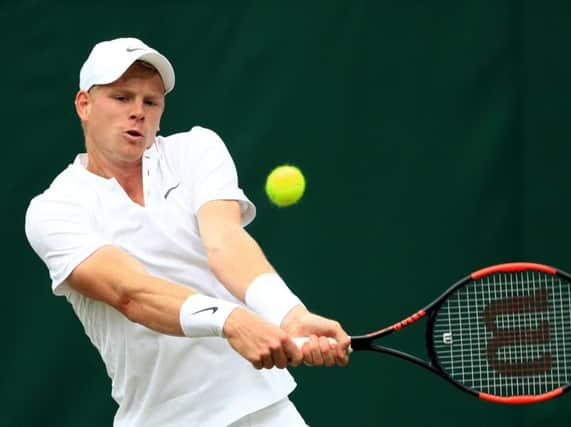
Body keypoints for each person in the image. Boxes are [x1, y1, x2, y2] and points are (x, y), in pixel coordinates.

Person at [25, 37, 350, 427]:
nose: (138, 113)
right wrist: (231, 321)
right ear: (85, 105)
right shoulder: (55, 209)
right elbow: (130, 293)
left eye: (151, 102)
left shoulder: (197, 150)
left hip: (264, 408)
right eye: (122, 98)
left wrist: (289, 313)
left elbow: (226, 243)